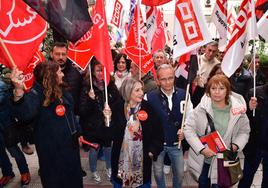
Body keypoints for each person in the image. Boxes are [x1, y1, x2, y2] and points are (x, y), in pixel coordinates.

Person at [10, 62, 83, 188]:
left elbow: (71, 116)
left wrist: (79, 133)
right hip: (52, 156)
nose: (62, 74)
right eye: (59, 72)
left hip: (70, 151)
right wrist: (18, 92)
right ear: (50, 76)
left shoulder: (63, 91)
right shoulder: (36, 94)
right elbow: (24, 114)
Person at [184, 74, 250, 187]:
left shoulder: (238, 110)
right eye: (213, 88)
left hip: (224, 161)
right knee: (203, 183)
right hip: (204, 160)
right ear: (209, 91)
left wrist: (236, 145)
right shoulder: (201, 108)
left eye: (221, 88)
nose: (217, 92)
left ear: (227, 91)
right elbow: (188, 128)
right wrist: (201, 149)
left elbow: (244, 131)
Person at [101, 77, 164, 187]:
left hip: (142, 165)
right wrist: (108, 120)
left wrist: (152, 151)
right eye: (137, 90)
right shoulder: (117, 108)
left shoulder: (148, 108)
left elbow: (158, 133)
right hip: (121, 163)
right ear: (128, 91)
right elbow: (107, 137)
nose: (141, 93)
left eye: (142, 89)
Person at [145, 64, 193, 188]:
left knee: (180, 173)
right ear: (157, 80)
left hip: (177, 144)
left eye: (170, 78)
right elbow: (144, 121)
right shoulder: (149, 97)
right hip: (158, 144)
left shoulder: (184, 94)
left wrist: (185, 130)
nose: (167, 82)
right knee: (158, 172)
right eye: (163, 79)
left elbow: (190, 117)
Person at [79, 58, 120, 183]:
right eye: (98, 70)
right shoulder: (87, 88)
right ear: (92, 72)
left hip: (107, 125)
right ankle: (94, 170)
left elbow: (118, 103)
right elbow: (82, 110)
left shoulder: (111, 85)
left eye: (103, 70)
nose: (100, 73)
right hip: (93, 127)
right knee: (94, 150)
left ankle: (109, 168)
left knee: (108, 147)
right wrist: (91, 100)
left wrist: (111, 110)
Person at [0, 68, 30, 187]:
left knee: (14, 151)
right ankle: (7, 173)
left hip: (6, 125)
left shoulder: (1, 85)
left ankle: (24, 172)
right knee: (1, 153)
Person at [238, 84, 268, 188]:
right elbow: (243, 119)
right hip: (255, 146)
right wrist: (249, 108)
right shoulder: (254, 93)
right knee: (246, 178)